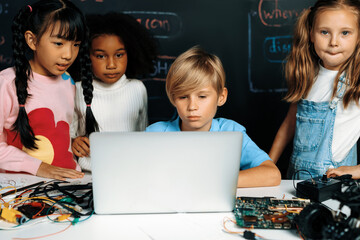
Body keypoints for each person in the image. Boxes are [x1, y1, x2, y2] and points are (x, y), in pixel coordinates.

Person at [146, 46, 281, 187]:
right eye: (183, 97)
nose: (192, 106)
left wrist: (211, 181)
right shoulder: (155, 134)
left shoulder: (231, 132)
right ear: (173, 99)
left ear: (221, 97)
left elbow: (272, 174)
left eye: (202, 96)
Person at [0, 0, 98, 180]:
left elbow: (56, 134)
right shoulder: (6, 83)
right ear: (32, 40)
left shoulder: (68, 81)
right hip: (22, 188)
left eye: (75, 44)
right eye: (59, 43)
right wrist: (40, 167)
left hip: (68, 185)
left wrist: (73, 142)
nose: (68, 54)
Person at [269, 0, 360, 180]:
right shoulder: (308, 75)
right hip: (297, 179)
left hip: (335, 187)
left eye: (345, 33)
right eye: (324, 32)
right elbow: (289, 125)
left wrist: (357, 170)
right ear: (311, 34)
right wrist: (268, 164)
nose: (334, 42)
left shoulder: (356, 82)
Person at [71, 12, 157, 171]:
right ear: (87, 57)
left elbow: (144, 135)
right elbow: (68, 135)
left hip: (131, 170)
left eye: (119, 55)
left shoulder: (137, 89)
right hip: (88, 174)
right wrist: (74, 142)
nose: (111, 64)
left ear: (130, 53)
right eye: (101, 56)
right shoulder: (76, 89)